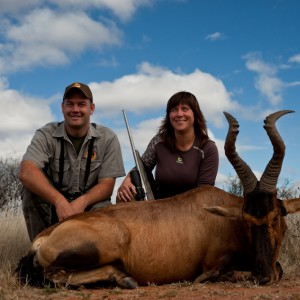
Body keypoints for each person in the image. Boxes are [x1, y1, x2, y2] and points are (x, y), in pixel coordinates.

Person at [19, 82, 125, 241]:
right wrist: (59, 202)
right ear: (62, 107)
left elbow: (107, 185)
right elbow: (27, 171)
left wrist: (81, 203)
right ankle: (40, 249)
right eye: (70, 104)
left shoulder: (108, 138)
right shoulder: (46, 133)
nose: (75, 110)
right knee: (29, 192)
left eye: (81, 104)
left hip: (89, 206)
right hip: (55, 207)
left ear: (92, 108)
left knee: (104, 209)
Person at [117, 91, 219, 202]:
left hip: (192, 209)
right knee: (125, 194)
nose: (179, 114)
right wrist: (128, 179)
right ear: (169, 116)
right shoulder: (159, 140)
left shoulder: (208, 148)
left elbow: (204, 193)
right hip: (160, 205)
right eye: (174, 110)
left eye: (185, 109)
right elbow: (142, 167)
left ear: (195, 114)